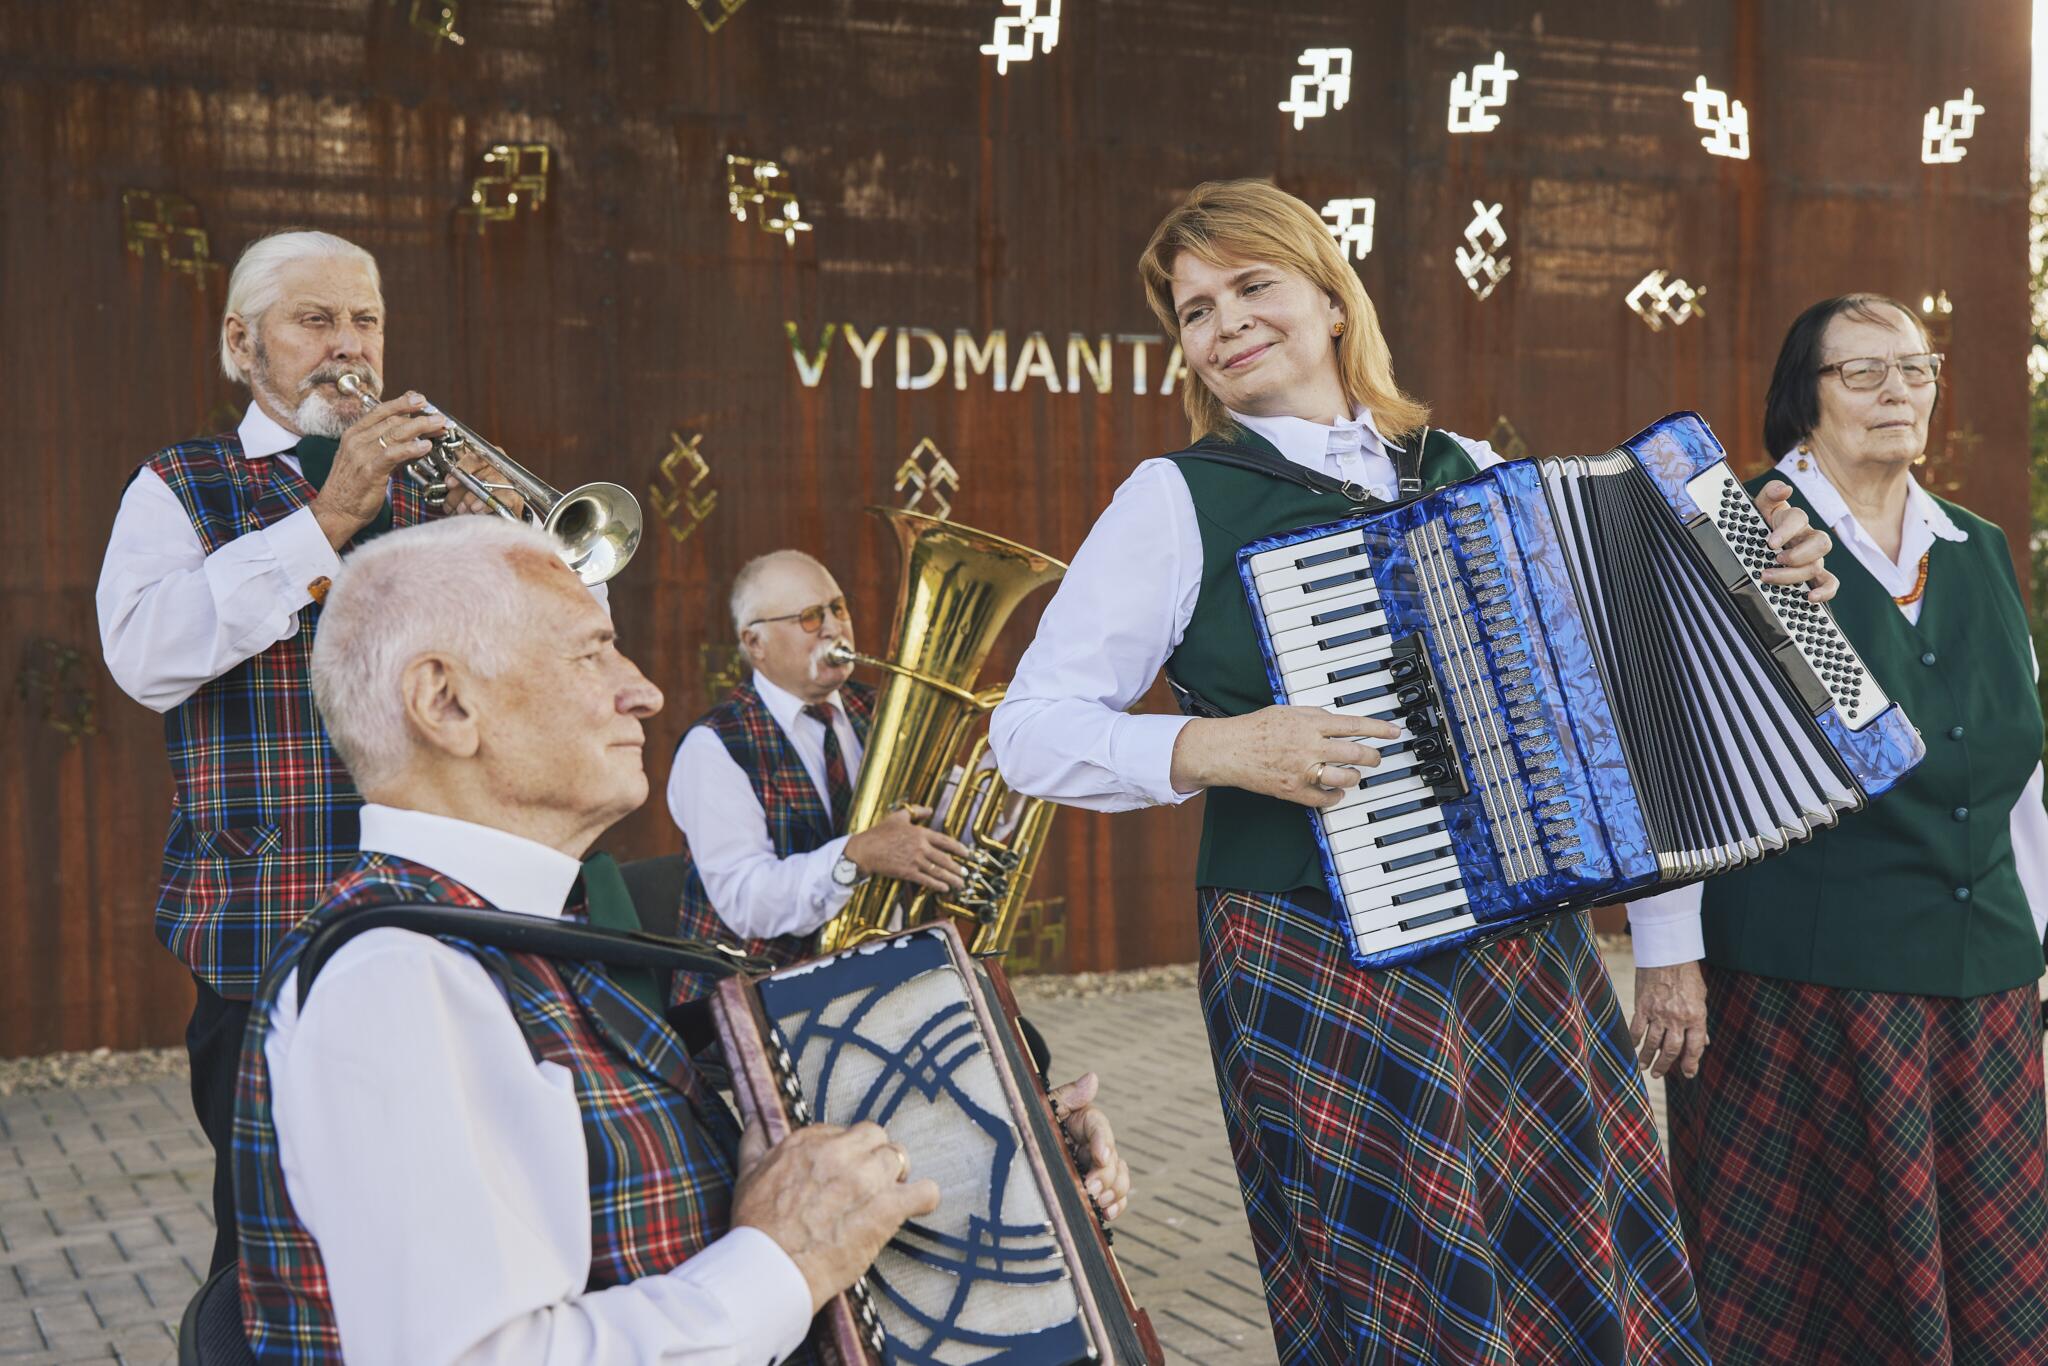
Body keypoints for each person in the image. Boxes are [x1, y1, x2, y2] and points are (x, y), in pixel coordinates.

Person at [990, 178, 1837, 1364]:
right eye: (1192, 310)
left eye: (1249, 286)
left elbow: (1612, 702)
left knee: (1572, 1266)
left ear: (1331, 299)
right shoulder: (1176, 498)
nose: (1223, 324)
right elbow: (1027, 729)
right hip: (1312, 946)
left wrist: (1755, 587)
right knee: (1401, 1289)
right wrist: (1218, 747)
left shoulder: (1464, 463)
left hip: (1519, 946)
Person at [233, 517, 1131, 1362]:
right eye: (591, 653)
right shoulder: (394, 980)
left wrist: (992, 1146)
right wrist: (784, 1262)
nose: (644, 691)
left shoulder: (517, 931)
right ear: (447, 702)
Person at [1625, 294, 2048, 1364]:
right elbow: (1676, 750)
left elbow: (2019, 777)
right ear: (1800, 400)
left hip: (1983, 993)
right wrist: (1667, 953)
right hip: (1806, 994)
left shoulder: (1976, 545)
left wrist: (2038, 948)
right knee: (1814, 1309)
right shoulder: (1740, 532)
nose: (1897, 389)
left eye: (1914, 366)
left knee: (1989, 1292)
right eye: (1860, 371)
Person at [94, 228, 512, 1273]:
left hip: (435, 920)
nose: (348, 345)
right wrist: (325, 521)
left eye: (365, 319)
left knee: (433, 1235)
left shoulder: (434, 483)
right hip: (265, 919)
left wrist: (499, 562)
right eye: (314, 320)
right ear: (243, 344)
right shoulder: (181, 483)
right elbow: (143, 657)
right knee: (276, 1246)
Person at [664, 549, 971, 1001]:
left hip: (879, 980)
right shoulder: (713, 746)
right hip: (757, 996)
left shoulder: (881, 710)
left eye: (838, 609)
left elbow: (947, 820)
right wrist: (856, 856)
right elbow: (747, 902)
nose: (833, 628)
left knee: (1019, 1038)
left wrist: (1011, 772)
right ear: (755, 643)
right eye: (809, 617)